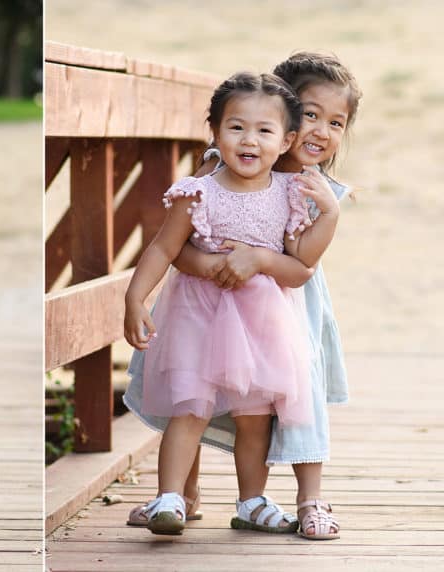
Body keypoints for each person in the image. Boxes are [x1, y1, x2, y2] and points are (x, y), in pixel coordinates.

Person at [125, 52, 361, 540]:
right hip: (202, 310)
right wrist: (137, 296)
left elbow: (300, 265)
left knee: (272, 408)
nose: (319, 130)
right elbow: (172, 247)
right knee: (189, 400)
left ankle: (278, 499)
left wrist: (269, 252)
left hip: (275, 318)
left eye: (334, 121)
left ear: (284, 134)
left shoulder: (303, 191)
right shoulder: (210, 178)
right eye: (310, 113)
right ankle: (176, 495)